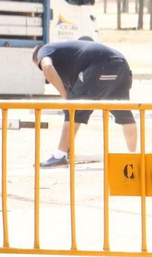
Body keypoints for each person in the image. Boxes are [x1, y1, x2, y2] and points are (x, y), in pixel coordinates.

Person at [33, 39, 139, 167]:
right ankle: (133, 156)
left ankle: (59, 156)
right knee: (124, 113)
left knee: (73, 110)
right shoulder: (70, 58)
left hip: (102, 65)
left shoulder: (44, 50)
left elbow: (47, 67)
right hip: (121, 65)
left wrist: (65, 97)